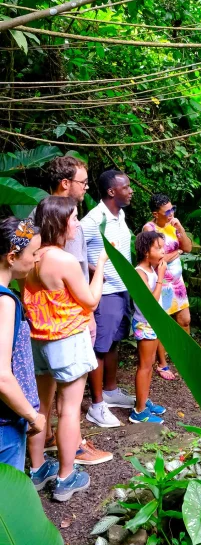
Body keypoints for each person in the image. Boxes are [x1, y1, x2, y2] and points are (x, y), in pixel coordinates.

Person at [24, 197, 107, 501]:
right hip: (67, 339)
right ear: (59, 223)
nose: (76, 223)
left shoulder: (31, 256)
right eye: (72, 218)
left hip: (38, 340)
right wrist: (100, 269)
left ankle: (36, 470)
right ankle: (66, 476)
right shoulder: (64, 260)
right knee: (69, 409)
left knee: (40, 407)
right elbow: (90, 300)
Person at [37, 155, 112, 465]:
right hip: (69, 319)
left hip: (39, 323)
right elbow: (72, 274)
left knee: (45, 394)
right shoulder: (68, 221)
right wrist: (90, 313)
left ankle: (46, 450)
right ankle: (73, 452)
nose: (85, 187)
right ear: (65, 183)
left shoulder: (37, 214)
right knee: (70, 396)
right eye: (82, 181)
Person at [81, 169, 135, 428]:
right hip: (105, 293)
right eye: (126, 187)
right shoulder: (93, 219)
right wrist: (97, 272)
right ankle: (97, 404)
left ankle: (111, 391)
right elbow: (75, 255)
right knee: (100, 348)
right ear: (112, 192)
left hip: (121, 290)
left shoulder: (120, 214)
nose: (130, 190)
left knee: (114, 342)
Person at [0, 218, 45, 470]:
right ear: (12, 256)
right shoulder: (4, 302)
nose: (37, 259)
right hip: (5, 426)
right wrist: (33, 416)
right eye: (34, 253)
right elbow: (1, 376)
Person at [143, 193, 193, 380]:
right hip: (161, 282)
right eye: (167, 211)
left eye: (172, 209)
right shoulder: (150, 229)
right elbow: (156, 259)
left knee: (185, 320)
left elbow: (187, 247)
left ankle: (185, 354)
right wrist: (176, 252)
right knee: (163, 324)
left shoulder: (174, 225)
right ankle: (162, 364)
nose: (171, 213)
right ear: (156, 214)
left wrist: (180, 228)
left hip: (177, 284)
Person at [129, 230, 169, 425]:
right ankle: (139, 411)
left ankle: (143, 401)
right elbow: (150, 303)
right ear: (146, 252)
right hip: (145, 324)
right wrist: (161, 277)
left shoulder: (152, 269)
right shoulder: (140, 272)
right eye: (158, 248)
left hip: (152, 324)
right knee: (144, 367)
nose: (163, 251)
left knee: (149, 365)